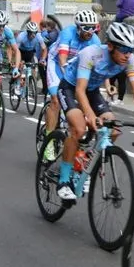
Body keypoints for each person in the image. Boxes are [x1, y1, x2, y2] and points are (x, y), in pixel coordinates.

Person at [54, 22, 134, 201]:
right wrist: (92, 117)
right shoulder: (91, 54)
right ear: (110, 46)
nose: (128, 54)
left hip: (92, 91)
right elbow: (79, 90)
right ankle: (63, 180)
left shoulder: (129, 60)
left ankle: (86, 163)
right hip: (70, 87)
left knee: (113, 130)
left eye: (131, 50)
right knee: (79, 129)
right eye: (124, 49)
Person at [42, 10, 102, 160]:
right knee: (56, 99)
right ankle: (48, 142)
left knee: (82, 101)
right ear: (78, 27)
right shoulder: (67, 33)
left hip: (76, 68)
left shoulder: (95, 40)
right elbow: (62, 60)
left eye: (93, 27)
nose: (90, 31)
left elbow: (98, 67)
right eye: (86, 28)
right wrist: (68, 84)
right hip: (57, 64)